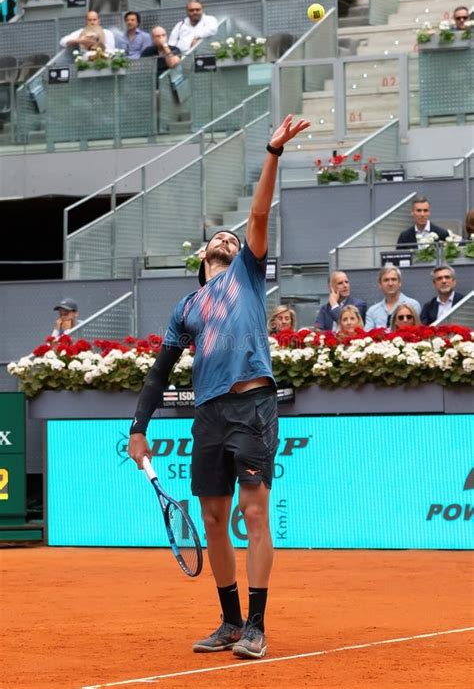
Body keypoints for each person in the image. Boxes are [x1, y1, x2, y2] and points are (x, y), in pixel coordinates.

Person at [128, 115, 310, 661]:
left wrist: (272, 153)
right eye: (220, 237)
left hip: (253, 405)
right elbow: (159, 373)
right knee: (211, 518)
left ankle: (256, 623)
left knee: (254, 512)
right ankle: (230, 622)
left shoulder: (249, 275)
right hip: (207, 413)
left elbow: (256, 212)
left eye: (235, 237)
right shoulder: (186, 308)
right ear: (203, 257)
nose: (231, 237)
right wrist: (139, 429)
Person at [365, 266, 421, 330]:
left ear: (399, 283)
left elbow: (417, 330)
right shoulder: (372, 311)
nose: (390, 283)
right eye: (386, 280)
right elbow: (367, 336)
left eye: (393, 279)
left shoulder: (413, 305)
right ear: (380, 285)